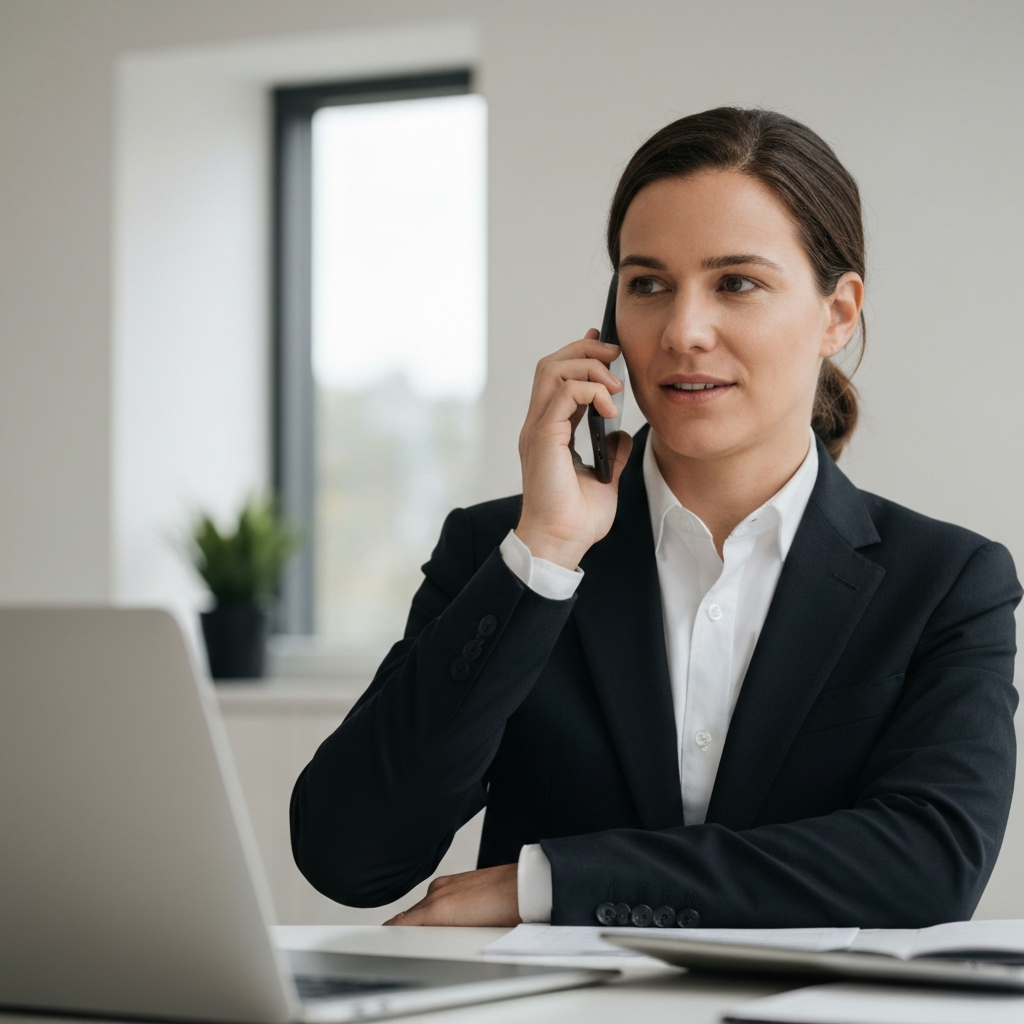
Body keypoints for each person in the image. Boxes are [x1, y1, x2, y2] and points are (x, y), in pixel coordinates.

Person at [290, 108, 1021, 929]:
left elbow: (929, 864)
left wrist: (555, 884)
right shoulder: (505, 554)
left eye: (736, 283)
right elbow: (348, 856)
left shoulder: (947, 582)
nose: (682, 331)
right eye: (648, 285)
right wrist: (545, 555)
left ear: (837, 314)